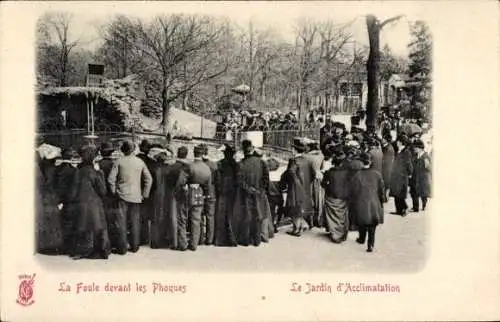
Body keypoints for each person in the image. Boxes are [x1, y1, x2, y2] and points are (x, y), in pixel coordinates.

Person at [108, 140, 153, 254]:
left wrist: (114, 191)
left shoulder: (118, 162)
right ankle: (134, 246)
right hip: (136, 196)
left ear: (123, 150)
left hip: (122, 196)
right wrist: (145, 194)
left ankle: (122, 248)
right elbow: (149, 179)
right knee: (135, 222)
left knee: (121, 223)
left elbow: (111, 179)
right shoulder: (140, 162)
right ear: (133, 150)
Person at [70, 145, 110, 259]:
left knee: (82, 227)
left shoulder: (78, 172)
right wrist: (100, 174)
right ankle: (99, 250)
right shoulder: (96, 172)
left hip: (81, 203)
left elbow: (73, 192)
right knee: (98, 227)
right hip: (95, 204)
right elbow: (103, 191)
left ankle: (83, 251)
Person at [233, 140, 272, 246]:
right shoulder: (261, 162)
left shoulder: (240, 164)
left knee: (246, 215)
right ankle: (257, 240)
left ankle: (245, 240)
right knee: (258, 215)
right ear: (252, 149)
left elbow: (239, 181)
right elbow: (266, 179)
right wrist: (260, 190)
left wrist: (249, 189)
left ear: (243, 151)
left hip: (246, 194)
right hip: (259, 193)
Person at [348, 153, 386, 252]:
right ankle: (371, 245)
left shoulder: (357, 175)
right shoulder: (377, 174)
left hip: (361, 202)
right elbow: (382, 190)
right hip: (374, 201)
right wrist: (381, 201)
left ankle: (361, 238)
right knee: (372, 224)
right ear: (370, 162)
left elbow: (353, 191)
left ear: (361, 162)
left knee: (362, 221)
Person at [185, 145, 213, 251]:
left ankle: (186, 242)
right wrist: (206, 194)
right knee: (197, 219)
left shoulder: (190, 166)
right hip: (200, 193)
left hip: (188, 192)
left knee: (184, 218)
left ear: (194, 153)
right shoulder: (207, 168)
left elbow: (182, 181)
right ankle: (194, 243)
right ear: (203, 154)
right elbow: (209, 186)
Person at [321, 147, 350, 243]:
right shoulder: (347, 172)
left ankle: (334, 233)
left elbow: (323, 184)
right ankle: (341, 232)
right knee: (342, 215)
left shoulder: (329, 172)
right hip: (343, 196)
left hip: (331, 196)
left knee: (331, 215)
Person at [55, 148, 79, 255]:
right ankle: (70, 247)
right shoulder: (74, 171)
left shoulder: (57, 170)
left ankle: (62, 245)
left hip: (59, 200)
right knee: (71, 223)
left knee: (62, 223)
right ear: (70, 158)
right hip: (70, 201)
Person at [213, 144, 239, 246]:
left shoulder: (220, 164)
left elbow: (217, 179)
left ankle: (220, 240)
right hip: (233, 193)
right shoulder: (236, 165)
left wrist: (219, 190)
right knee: (232, 215)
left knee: (221, 215)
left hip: (222, 192)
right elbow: (238, 180)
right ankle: (232, 239)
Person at [292, 138, 315, 228]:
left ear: (295, 149)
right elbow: (313, 174)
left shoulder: (294, 161)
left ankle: (298, 227)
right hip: (305, 185)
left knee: (295, 206)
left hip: (296, 187)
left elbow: (290, 174)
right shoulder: (307, 160)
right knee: (304, 205)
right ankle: (305, 223)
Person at [389, 135, 413, 216]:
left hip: (402, 176)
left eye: (398, 141)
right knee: (396, 193)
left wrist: (410, 173)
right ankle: (398, 210)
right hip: (396, 175)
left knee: (400, 194)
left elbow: (408, 164)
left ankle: (404, 209)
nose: (396, 143)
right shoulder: (399, 150)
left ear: (401, 142)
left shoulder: (406, 152)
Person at [199, 144, 217, 246]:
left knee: (200, 215)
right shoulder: (214, 165)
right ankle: (209, 239)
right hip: (211, 191)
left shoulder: (198, 164)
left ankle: (200, 238)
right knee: (210, 216)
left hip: (200, 191)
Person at [305, 139, 325, 228]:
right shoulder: (321, 155)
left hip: (310, 180)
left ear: (309, 147)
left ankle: (310, 220)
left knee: (310, 199)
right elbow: (322, 167)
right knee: (318, 200)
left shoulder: (307, 157)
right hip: (318, 179)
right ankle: (318, 219)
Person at [411, 140, 431, 211]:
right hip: (416, 176)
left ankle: (424, 205)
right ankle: (416, 207)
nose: (414, 149)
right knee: (415, 191)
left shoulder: (425, 156)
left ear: (419, 148)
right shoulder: (416, 156)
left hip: (423, 177)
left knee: (423, 193)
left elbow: (429, 168)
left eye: (415, 147)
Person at [381, 134, 395, 201]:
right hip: (387, 168)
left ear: (386, 140)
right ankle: (385, 197)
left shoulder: (388, 148)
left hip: (386, 168)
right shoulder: (388, 147)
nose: (382, 140)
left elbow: (385, 159)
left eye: (383, 139)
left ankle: (385, 197)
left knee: (385, 183)